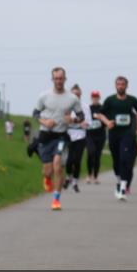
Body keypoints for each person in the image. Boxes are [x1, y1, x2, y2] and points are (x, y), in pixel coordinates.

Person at [32, 67, 82, 210]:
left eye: (61, 78)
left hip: (61, 136)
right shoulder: (44, 96)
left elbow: (81, 117)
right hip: (46, 135)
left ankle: (56, 200)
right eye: (56, 78)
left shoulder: (72, 98)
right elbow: (35, 113)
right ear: (52, 79)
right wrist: (44, 122)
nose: (59, 81)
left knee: (58, 165)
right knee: (47, 170)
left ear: (65, 79)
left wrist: (72, 119)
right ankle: (47, 178)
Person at [95, 76, 137, 201]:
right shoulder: (110, 100)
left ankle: (123, 188)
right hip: (113, 134)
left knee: (124, 158)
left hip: (127, 133)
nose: (120, 86)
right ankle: (118, 180)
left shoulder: (132, 100)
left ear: (127, 86)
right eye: (118, 84)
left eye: (123, 84)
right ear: (115, 86)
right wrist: (107, 122)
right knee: (116, 160)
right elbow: (100, 114)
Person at [64, 84, 87, 193]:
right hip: (68, 134)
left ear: (80, 95)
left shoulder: (85, 107)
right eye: (73, 94)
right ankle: (68, 177)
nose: (75, 96)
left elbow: (90, 123)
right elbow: (63, 120)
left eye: (77, 94)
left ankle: (75, 182)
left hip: (81, 135)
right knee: (69, 161)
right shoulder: (66, 106)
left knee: (77, 160)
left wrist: (84, 124)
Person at [85, 90, 106, 184]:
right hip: (89, 135)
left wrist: (102, 120)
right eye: (93, 97)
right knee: (90, 153)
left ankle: (96, 176)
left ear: (99, 98)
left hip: (100, 135)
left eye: (96, 97)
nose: (95, 98)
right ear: (91, 98)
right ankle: (89, 174)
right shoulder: (88, 108)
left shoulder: (103, 108)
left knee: (97, 156)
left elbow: (106, 121)